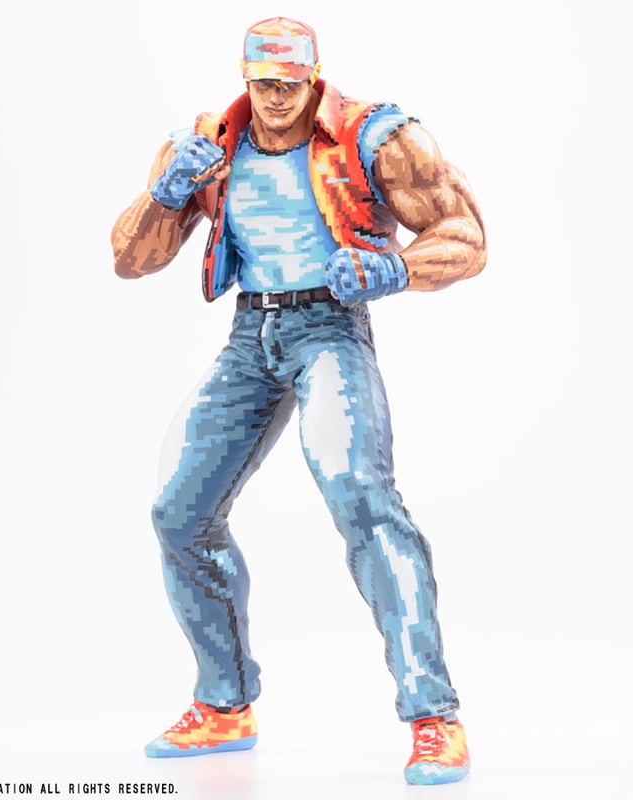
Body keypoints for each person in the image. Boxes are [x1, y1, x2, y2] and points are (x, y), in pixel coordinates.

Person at [111, 16, 486, 786]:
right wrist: (164, 193)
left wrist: (395, 271)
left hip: (330, 329)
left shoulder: (377, 138)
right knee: (179, 512)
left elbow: (465, 236)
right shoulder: (208, 142)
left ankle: (433, 716)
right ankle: (224, 705)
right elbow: (130, 258)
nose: (277, 98)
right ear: (244, 76)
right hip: (252, 335)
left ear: (314, 75)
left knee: (363, 500)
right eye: (263, 83)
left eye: (290, 83)